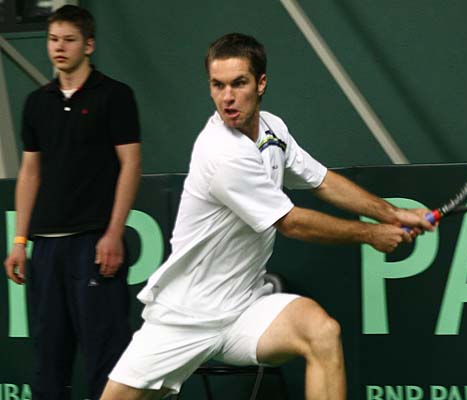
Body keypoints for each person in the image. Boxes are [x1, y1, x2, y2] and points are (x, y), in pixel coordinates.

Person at [101, 33, 433, 400]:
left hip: (245, 307)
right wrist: (371, 234)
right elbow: (291, 222)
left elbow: (321, 180)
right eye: (217, 85)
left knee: (321, 332)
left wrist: (393, 213)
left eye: (238, 83)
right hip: (186, 316)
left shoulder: (272, 129)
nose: (227, 97)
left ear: (260, 84)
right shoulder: (222, 153)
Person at [3, 5, 141, 400]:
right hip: (46, 250)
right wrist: (19, 242)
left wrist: (113, 233)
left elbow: (131, 164)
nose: (59, 47)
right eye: (53, 39)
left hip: (94, 246)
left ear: (89, 45)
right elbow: (30, 172)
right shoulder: (36, 102)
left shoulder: (115, 95)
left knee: (106, 356)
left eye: (69, 40)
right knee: (49, 359)